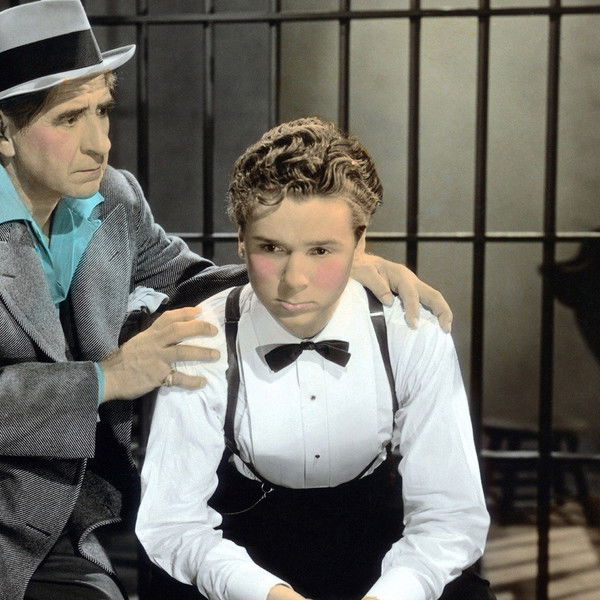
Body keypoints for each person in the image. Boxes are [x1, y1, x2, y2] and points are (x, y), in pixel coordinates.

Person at [0, 2, 452, 599]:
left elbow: (191, 280)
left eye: (102, 110)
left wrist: (325, 264)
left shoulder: (112, 196)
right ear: (3, 132)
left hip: (81, 513)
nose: (99, 143)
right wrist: (107, 378)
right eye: (68, 119)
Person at [136, 117, 494, 600]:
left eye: (321, 250)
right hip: (240, 554)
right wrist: (266, 595)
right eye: (271, 248)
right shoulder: (202, 337)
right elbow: (172, 522)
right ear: (241, 240)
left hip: (384, 550)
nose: (294, 280)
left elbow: (450, 515)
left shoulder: (411, 332)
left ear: (360, 244)